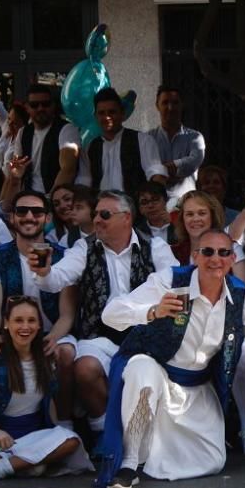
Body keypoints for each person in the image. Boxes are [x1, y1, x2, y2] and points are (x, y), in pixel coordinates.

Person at [97, 229, 245, 488]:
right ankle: (129, 464)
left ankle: (159, 453)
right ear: (195, 256)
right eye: (208, 252)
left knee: (213, 461)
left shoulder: (237, 293)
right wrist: (153, 311)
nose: (216, 259)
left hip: (198, 390)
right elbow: (110, 314)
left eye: (224, 253)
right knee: (141, 369)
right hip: (160, 374)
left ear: (232, 258)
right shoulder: (170, 281)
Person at [30, 190, 177, 444]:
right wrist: (43, 272)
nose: (96, 219)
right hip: (99, 336)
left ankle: (141, 435)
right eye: (96, 213)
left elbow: (175, 282)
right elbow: (56, 279)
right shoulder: (82, 248)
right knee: (85, 369)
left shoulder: (155, 246)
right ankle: (105, 434)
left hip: (145, 335)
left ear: (126, 218)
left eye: (105, 214)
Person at [0, 191, 78, 425]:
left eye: (37, 212)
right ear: (12, 218)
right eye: (22, 211)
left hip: (51, 333)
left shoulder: (65, 256)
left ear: (47, 217)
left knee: (65, 354)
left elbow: (67, 313)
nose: (29, 216)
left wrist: (52, 337)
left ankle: (63, 423)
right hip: (9, 332)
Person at [169, 189, 245, 454]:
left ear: (212, 216)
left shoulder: (231, 248)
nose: (195, 219)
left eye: (201, 213)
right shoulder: (173, 251)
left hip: (225, 325)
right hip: (186, 331)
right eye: (189, 214)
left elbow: (240, 294)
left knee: (242, 352)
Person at [0, 296, 92, 483]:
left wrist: (53, 435)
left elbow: (50, 407)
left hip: (30, 441)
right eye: (18, 320)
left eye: (31, 321)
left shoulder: (45, 358)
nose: (25, 327)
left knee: (71, 440)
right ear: (6, 324)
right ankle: (22, 466)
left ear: (38, 326)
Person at [77, 88, 168, 194]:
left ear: (122, 113)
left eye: (112, 112)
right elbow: (84, 182)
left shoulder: (143, 141)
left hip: (133, 207)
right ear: (96, 117)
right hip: (100, 207)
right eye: (101, 113)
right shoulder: (90, 147)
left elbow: (156, 174)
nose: (107, 117)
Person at [12, 84, 81, 194]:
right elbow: (15, 172)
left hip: (55, 199)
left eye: (46, 104)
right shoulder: (23, 132)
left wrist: (50, 199)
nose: (40, 108)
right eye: (34, 105)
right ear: (27, 108)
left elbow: (68, 170)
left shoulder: (66, 129)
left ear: (53, 105)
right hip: (28, 197)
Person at [150, 85, 205, 200]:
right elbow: (147, 171)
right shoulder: (148, 139)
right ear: (157, 105)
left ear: (182, 105)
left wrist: (161, 171)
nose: (170, 107)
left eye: (175, 103)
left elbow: (192, 163)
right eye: (165, 102)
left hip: (186, 204)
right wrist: (178, 170)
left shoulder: (195, 138)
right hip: (157, 205)